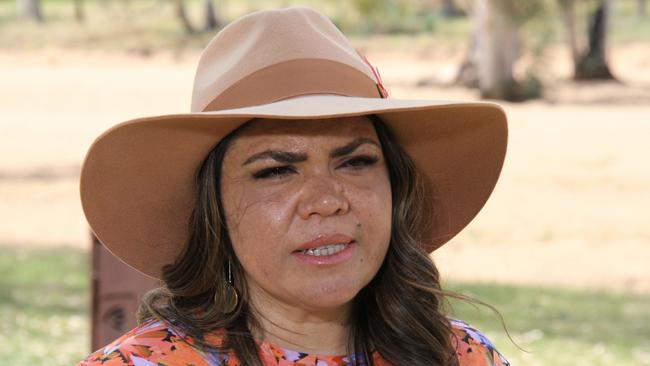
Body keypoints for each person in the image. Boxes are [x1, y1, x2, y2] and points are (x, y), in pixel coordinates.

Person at [76, 6, 510, 366]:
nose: (326, 200)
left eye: (356, 162)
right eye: (276, 171)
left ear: (395, 187)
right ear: (214, 209)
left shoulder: (460, 356)